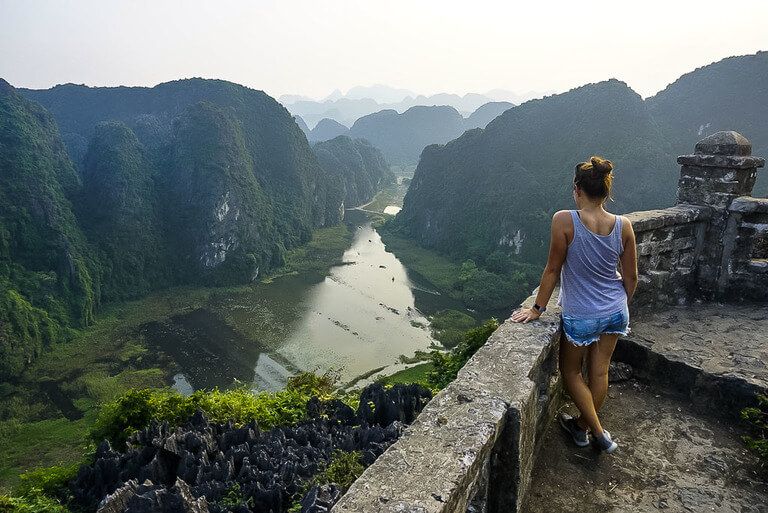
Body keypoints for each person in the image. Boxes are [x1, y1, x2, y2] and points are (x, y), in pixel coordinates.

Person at [511, 156, 638, 454]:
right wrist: (619, 304)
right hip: (616, 309)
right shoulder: (624, 226)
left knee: (571, 374)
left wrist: (537, 309)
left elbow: (552, 270)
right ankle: (581, 428)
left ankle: (599, 433)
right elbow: (631, 277)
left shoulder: (564, 220)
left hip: (582, 313)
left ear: (576, 189)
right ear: (606, 191)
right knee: (600, 373)